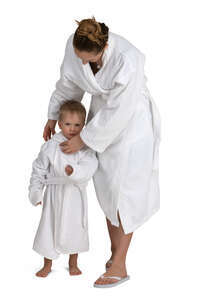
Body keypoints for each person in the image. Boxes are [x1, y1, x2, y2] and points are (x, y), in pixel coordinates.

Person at [43, 17, 161, 288]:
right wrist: (52, 116)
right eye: (79, 58)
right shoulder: (76, 48)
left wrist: (83, 139)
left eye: (89, 59)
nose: (83, 63)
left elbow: (120, 111)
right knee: (108, 188)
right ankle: (113, 253)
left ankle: (120, 263)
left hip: (132, 124)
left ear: (104, 46)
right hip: (101, 119)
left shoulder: (129, 58)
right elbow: (68, 83)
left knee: (125, 192)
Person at [29, 100, 98, 278]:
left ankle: (73, 263)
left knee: (75, 227)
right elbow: (39, 169)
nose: (72, 129)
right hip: (53, 194)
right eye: (68, 124)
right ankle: (47, 265)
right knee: (49, 228)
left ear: (84, 125)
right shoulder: (50, 146)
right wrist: (36, 192)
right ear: (59, 124)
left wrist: (74, 171)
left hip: (74, 194)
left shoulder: (85, 148)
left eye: (77, 125)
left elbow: (91, 166)